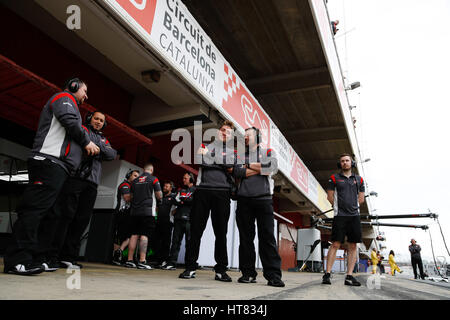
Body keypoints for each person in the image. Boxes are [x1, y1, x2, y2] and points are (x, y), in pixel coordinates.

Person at [3, 78, 99, 275]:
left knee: (50, 215)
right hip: (48, 162)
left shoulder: (72, 105)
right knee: (34, 210)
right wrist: (86, 141)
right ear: (73, 87)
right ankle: (17, 260)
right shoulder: (64, 98)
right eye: (84, 90)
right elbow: (69, 122)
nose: (86, 96)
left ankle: (37, 257)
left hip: (59, 168)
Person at [38, 111, 117, 270]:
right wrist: (93, 145)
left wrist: (96, 146)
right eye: (96, 119)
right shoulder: (82, 130)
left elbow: (111, 154)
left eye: (101, 120)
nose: (98, 122)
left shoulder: (103, 139)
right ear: (90, 119)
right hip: (75, 179)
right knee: (65, 217)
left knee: (81, 221)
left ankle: (69, 257)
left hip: (92, 184)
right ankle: (51, 256)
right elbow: (81, 142)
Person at [179, 120, 237, 281]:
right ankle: (190, 268)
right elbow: (200, 160)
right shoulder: (204, 146)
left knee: (221, 233)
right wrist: (219, 161)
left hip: (222, 193)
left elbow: (230, 164)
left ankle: (221, 270)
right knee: (196, 230)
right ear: (218, 131)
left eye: (228, 132)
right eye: (223, 130)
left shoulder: (233, 152)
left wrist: (212, 159)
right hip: (202, 191)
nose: (225, 133)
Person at [232, 127, 285, 287]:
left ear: (257, 137)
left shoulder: (269, 151)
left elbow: (271, 169)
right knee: (245, 238)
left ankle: (273, 275)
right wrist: (259, 168)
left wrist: (248, 166)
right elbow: (236, 172)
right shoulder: (239, 154)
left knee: (267, 238)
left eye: (248, 135)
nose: (245, 137)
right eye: (245, 135)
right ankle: (248, 274)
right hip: (243, 200)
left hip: (264, 199)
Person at [322, 153, 365, 286]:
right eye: (342, 161)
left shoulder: (359, 179)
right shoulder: (334, 178)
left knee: (353, 245)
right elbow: (330, 197)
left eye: (347, 160)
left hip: (354, 217)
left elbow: (361, 198)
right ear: (339, 164)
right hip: (339, 216)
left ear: (351, 163)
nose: (345, 162)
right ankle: (327, 274)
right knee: (335, 244)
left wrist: (352, 207)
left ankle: (349, 276)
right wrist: (339, 208)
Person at [124, 163, 162, 269]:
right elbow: (159, 196)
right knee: (144, 235)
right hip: (147, 211)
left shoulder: (134, 181)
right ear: (151, 170)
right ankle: (142, 261)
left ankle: (129, 260)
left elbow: (130, 196)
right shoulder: (154, 179)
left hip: (135, 211)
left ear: (143, 169)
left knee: (134, 235)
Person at [163, 173, 196, 270]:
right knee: (175, 242)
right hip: (178, 219)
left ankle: (189, 264)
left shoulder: (196, 190)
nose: (183, 179)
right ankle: (172, 263)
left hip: (190, 220)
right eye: (183, 178)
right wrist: (184, 200)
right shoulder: (181, 190)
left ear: (191, 179)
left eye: (185, 178)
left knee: (189, 244)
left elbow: (193, 201)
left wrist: (183, 200)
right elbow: (175, 201)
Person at [112, 170, 140, 266]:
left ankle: (119, 251)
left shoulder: (132, 187)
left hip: (130, 214)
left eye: (138, 176)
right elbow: (127, 198)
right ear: (129, 176)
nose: (136, 178)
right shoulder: (125, 185)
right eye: (135, 175)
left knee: (130, 235)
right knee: (119, 235)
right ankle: (116, 257)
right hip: (122, 213)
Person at [153, 181, 176, 268]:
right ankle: (158, 260)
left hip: (168, 222)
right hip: (159, 222)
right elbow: (157, 208)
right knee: (157, 241)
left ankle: (164, 260)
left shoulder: (173, 197)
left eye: (167, 186)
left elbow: (177, 207)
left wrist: (172, 213)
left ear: (170, 188)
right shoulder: (160, 197)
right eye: (164, 186)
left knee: (166, 242)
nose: (165, 187)